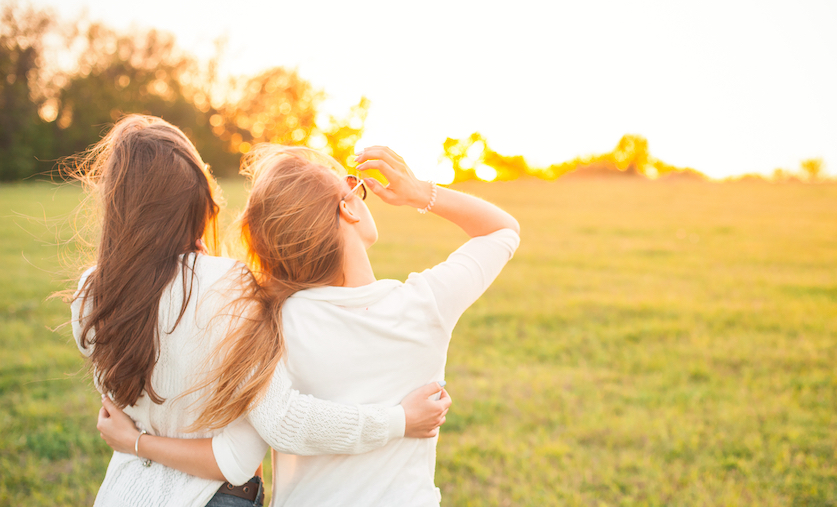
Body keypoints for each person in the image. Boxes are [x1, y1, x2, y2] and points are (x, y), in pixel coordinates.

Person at [97, 143, 520, 506]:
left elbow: (280, 422)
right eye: (354, 187)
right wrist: (416, 193)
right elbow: (502, 230)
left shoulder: (269, 319)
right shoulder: (426, 304)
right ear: (347, 208)